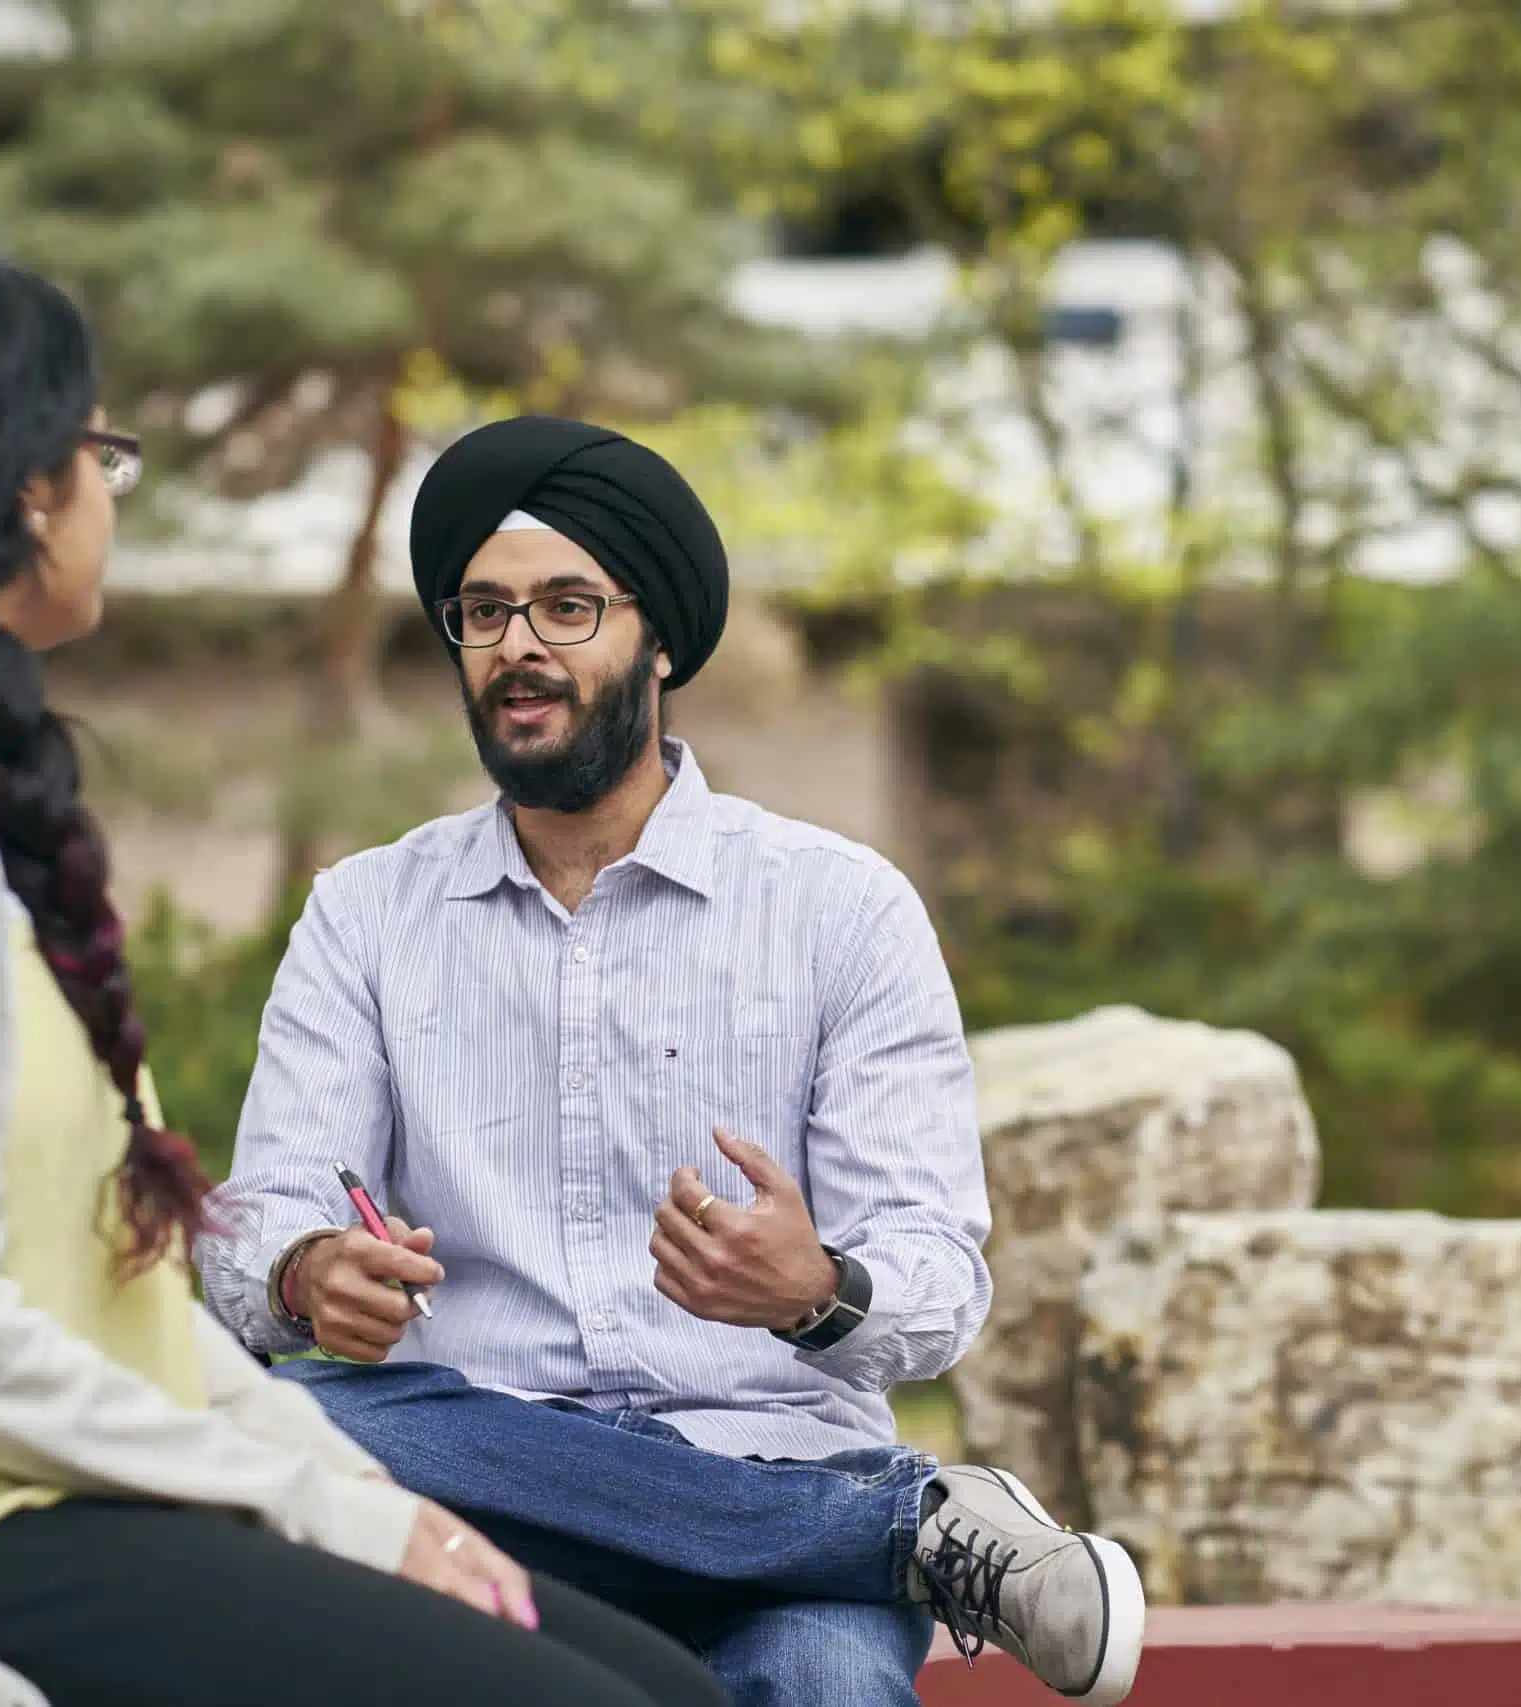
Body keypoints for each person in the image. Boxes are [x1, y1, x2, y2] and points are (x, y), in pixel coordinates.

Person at [0, 243, 725, 1707]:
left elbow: (138, 1313)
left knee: (668, 1687)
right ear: (10, 484)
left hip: (41, 1481)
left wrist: (361, 1500)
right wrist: (331, 1512)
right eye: (98, 449)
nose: (110, 488)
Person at [198, 415, 1148, 1707]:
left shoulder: (842, 908)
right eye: (482, 612)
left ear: (659, 640)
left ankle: (831, 1537)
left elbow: (938, 1280)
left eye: (566, 605)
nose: (517, 644)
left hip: (768, 1467)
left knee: (823, 1684)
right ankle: (909, 1533)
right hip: (484, 1497)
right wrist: (308, 1271)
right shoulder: (364, 915)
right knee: (281, 1416)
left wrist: (815, 1288)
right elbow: (255, 1216)